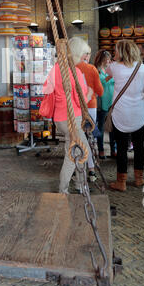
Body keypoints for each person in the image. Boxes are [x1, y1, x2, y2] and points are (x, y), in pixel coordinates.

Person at [43, 36, 93, 194]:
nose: (85, 57)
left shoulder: (55, 69)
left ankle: (79, 184)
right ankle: (64, 189)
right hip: (73, 119)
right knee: (78, 152)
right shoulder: (75, 72)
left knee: (75, 150)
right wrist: (89, 94)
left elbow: (46, 90)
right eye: (84, 54)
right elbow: (80, 101)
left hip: (59, 119)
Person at [106, 39, 144, 191]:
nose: (114, 53)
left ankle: (122, 181)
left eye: (116, 50)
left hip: (121, 115)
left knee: (122, 148)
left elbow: (107, 72)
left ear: (123, 52)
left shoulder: (114, 67)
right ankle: (139, 178)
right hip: (139, 114)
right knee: (139, 146)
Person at [77, 44, 103, 182]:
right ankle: (91, 170)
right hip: (90, 107)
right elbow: (100, 91)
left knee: (78, 138)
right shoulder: (92, 69)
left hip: (76, 108)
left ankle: (78, 168)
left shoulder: (71, 68)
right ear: (86, 55)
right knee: (90, 139)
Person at [94, 50, 116, 159]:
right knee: (101, 127)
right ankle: (101, 150)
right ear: (102, 59)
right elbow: (101, 83)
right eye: (107, 59)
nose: (109, 61)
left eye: (109, 59)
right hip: (102, 102)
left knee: (112, 127)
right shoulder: (97, 70)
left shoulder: (109, 69)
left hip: (112, 101)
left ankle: (113, 149)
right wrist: (111, 75)